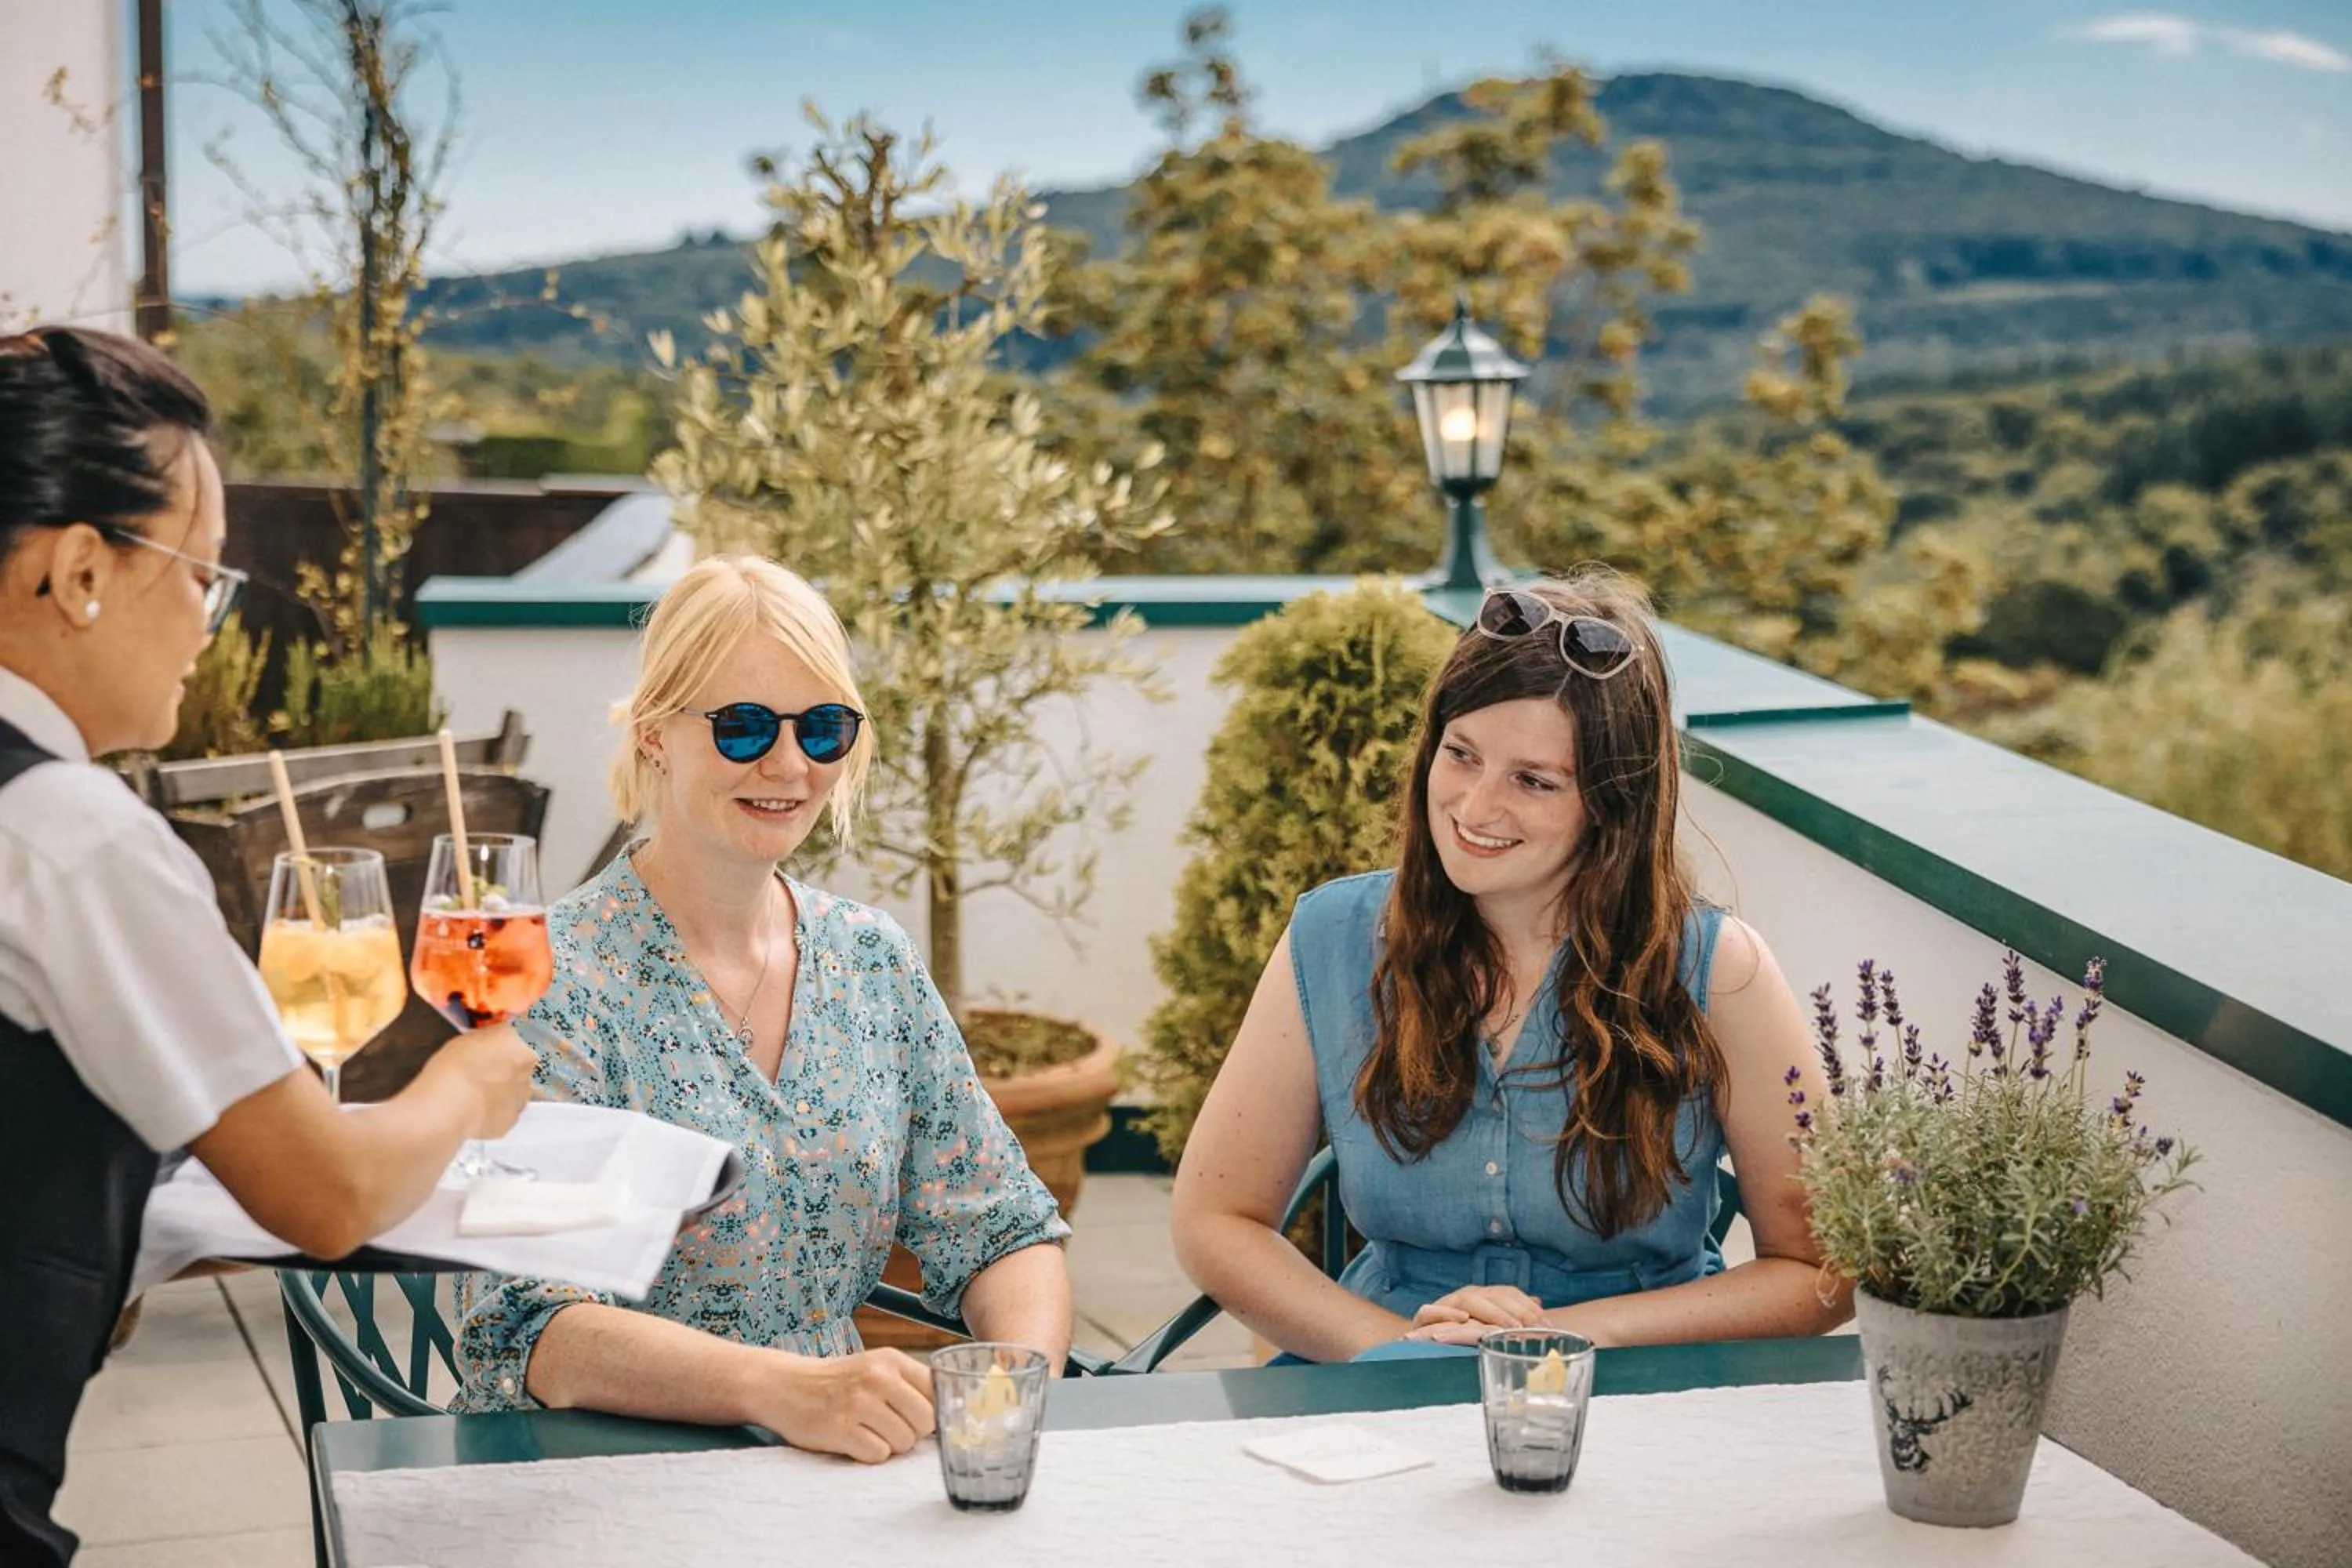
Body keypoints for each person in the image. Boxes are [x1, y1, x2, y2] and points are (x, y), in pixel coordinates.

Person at [0, 325, 538, 1564]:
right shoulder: (70, 836)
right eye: (202, 573)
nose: (210, 620)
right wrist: (465, 1085)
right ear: (80, 570)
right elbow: (330, 1194)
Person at [454, 555, 1073, 1462]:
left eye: (823, 727)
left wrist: (1010, 1391)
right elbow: (528, 1322)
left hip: (827, 1465)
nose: (789, 764)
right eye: (743, 726)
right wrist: (784, 1388)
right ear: (655, 732)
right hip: (590, 1467)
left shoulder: (871, 960)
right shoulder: (550, 977)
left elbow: (1002, 1229)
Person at [1170, 568, 1852, 1363]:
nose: (1476, 807)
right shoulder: (1330, 936)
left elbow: (1821, 1269)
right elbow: (1216, 1220)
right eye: (1461, 754)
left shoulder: (1719, 968)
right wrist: (1399, 1347)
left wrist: (1571, 1338)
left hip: (1635, 1380)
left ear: (1614, 803)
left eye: (1534, 780)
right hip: (1383, 1370)